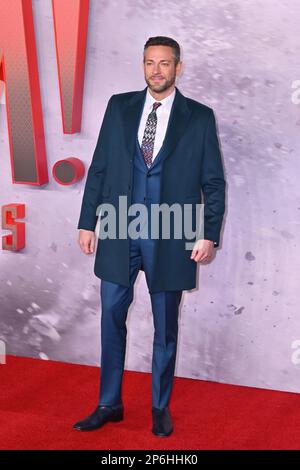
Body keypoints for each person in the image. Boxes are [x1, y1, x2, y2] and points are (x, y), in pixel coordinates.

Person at [73, 36, 226, 437]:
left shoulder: (200, 117)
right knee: (110, 318)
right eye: (149, 63)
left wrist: (208, 234)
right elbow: (100, 167)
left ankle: (160, 406)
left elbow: (213, 182)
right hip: (120, 230)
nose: (156, 70)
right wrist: (87, 222)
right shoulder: (119, 107)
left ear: (179, 67)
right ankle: (109, 403)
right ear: (143, 66)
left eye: (164, 63)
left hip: (173, 236)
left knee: (165, 326)